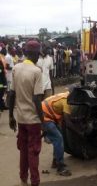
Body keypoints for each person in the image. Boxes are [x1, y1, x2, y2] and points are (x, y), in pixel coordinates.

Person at [8, 40, 44, 186]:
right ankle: (35, 181)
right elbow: (37, 98)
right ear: (34, 54)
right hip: (33, 120)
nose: (38, 58)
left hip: (21, 118)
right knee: (33, 152)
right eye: (38, 55)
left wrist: (11, 116)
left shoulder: (16, 68)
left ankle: (23, 178)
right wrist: (43, 120)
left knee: (23, 150)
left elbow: (11, 94)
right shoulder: (36, 71)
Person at [42, 91, 72, 176]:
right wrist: (79, 132)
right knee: (58, 139)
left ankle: (55, 161)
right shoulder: (66, 101)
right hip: (44, 116)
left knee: (58, 137)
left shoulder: (66, 93)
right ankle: (60, 168)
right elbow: (68, 122)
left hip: (44, 113)